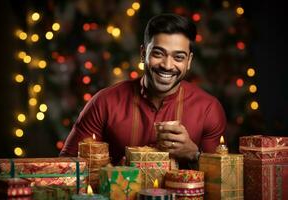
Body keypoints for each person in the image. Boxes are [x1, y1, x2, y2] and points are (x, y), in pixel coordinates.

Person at [60, 13, 227, 168]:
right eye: (158, 53)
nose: (167, 66)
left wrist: (194, 154)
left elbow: (222, 182)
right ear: (143, 54)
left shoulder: (208, 109)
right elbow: (66, 166)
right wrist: (111, 172)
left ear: (189, 61)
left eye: (178, 57)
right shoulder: (105, 102)